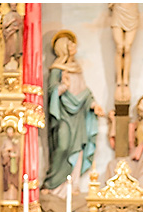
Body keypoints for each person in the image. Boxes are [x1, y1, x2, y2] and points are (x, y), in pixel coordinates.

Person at [43, 31, 104, 192]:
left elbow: (84, 91)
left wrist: (93, 104)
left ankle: (72, 185)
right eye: (70, 44)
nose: (74, 47)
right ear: (63, 48)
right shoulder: (57, 69)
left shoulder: (76, 68)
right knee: (62, 147)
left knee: (78, 150)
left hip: (78, 116)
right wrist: (63, 87)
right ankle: (52, 184)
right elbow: (51, 91)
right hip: (63, 115)